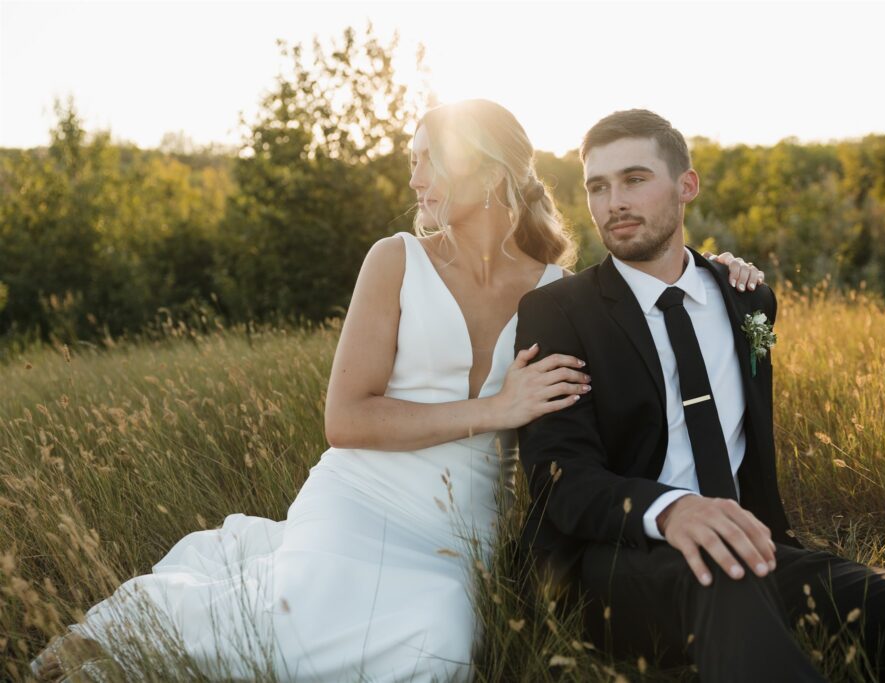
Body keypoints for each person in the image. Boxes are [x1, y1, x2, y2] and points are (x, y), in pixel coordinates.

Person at [29, 99, 764, 682]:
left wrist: (717, 273)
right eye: (411, 161)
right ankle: (130, 629)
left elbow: (646, 318)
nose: (415, 179)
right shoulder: (395, 260)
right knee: (290, 620)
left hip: (459, 530)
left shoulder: (559, 293)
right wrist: (495, 408)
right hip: (362, 497)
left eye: (429, 161)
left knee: (434, 654)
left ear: (490, 170)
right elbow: (345, 418)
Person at [514, 108, 885, 681]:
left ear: (687, 186)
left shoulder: (747, 300)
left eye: (634, 179)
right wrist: (672, 509)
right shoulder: (557, 313)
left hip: (756, 549)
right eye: (598, 187)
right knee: (725, 581)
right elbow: (560, 476)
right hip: (618, 564)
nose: (614, 203)